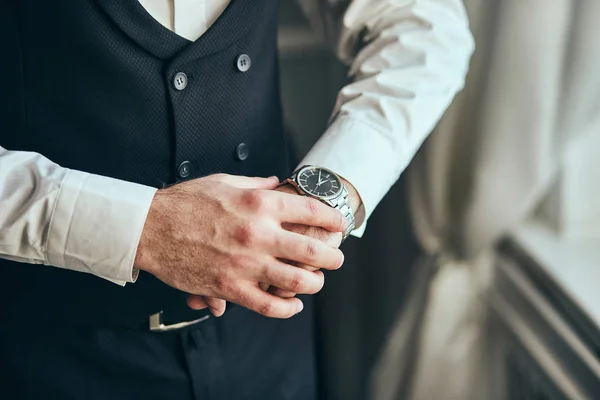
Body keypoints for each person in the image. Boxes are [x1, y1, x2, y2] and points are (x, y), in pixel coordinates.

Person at [0, 0, 474, 398]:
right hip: (47, 350)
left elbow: (426, 27)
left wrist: (323, 197)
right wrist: (146, 229)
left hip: (266, 342)